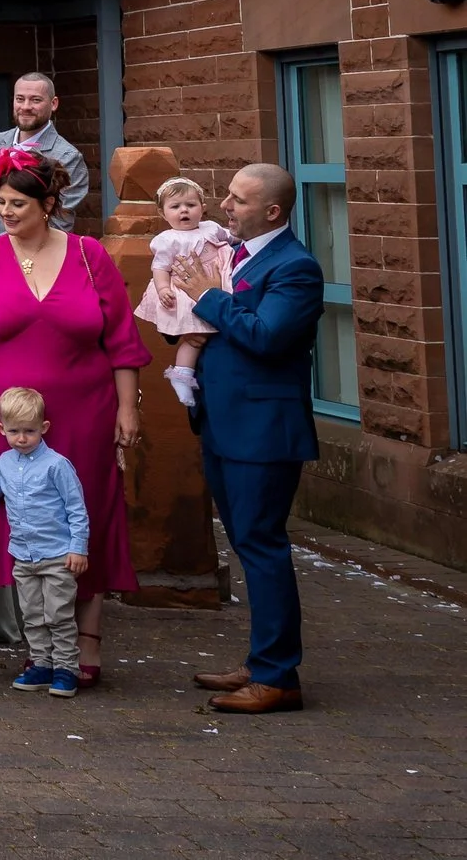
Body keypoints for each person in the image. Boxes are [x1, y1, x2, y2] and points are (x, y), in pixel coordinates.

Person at [0, 149, 147, 685]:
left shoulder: (88, 255)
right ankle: (41, 646)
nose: (6, 212)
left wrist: (127, 407)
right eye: (1, 203)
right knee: (23, 520)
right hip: (9, 419)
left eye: (17, 204)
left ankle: (86, 643)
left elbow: (122, 340)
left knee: (85, 516)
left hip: (85, 412)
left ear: (49, 203)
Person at [172, 161, 325, 714]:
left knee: (263, 546)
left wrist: (209, 298)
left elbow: (266, 336)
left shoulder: (296, 268)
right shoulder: (238, 253)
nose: (225, 206)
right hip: (222, 423)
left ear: (273, 211)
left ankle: (279, 676)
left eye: (237, 199)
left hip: (264, 432)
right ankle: (262, 661)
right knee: (247, 544)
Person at [0, 385, 92, 696]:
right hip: (24, 556)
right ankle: (41, 664)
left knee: (59, 614)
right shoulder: (7, 463)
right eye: (14, 431)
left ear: (44, 428)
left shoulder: (56, 465)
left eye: (29, 431)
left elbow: (76, 508)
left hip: (57, 556)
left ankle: (67, 668)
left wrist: (78, 547)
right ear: (2, 430)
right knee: (32, 614)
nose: (22, 438)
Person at [137, 175, 236, 408]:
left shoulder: (211, 228)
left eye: (190, 205)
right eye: (175, 207)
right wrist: (162, 289)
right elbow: (160, 268)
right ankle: (182, 374)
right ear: (163, 213)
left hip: (219, 283)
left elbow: (235, 238)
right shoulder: (167, 240)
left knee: (216, 332)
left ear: (202, 208)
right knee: (195, 338)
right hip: (186, 293)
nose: (184, 211)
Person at [0, 73, 90, 232]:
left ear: (54, 104)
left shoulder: (67, 157)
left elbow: (59, 222)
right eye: (20, 99)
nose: (25, 106)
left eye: (35, 100)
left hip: (28, 252)